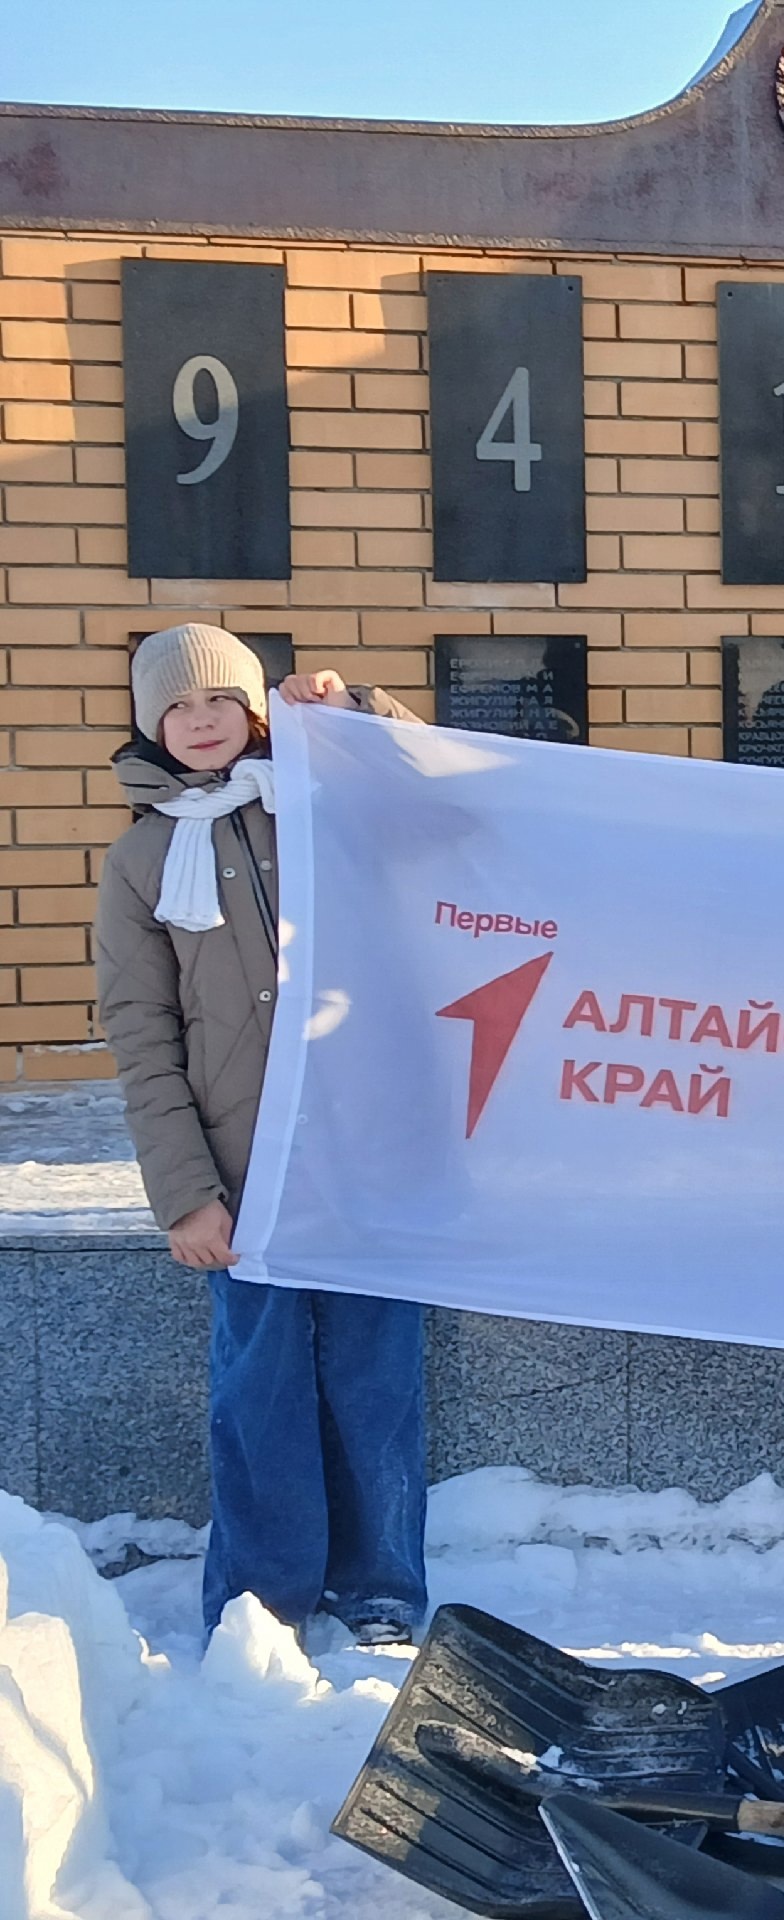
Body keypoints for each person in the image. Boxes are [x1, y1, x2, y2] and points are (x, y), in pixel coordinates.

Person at [93, 623, 427, 1645]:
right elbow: (141, 1034)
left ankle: (379, 1592)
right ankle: (261, 1605)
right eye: (178, 706)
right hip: (240, 1177)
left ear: (255, 711)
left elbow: (445, 808)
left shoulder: (333, 805)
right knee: (261, 1395)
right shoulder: (143, 858)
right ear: (153, 723)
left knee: (376, 1388)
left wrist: (361, 717)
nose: (200, 722)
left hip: (364, 1153)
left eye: (220, 702)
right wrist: (184, 1190)